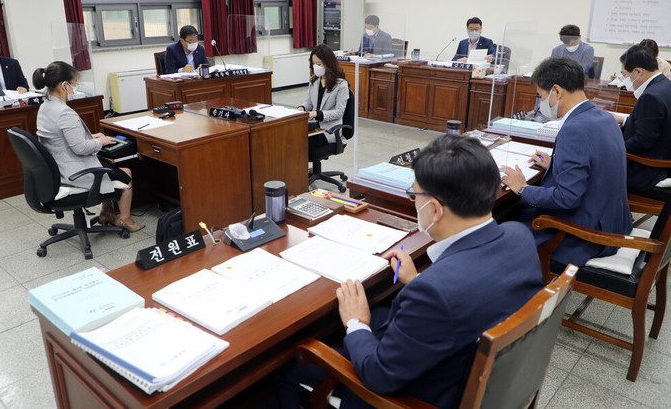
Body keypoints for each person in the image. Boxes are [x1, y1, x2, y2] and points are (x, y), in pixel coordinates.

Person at [277, 134, 543, 409]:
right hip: (470, 368)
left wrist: (356, 323)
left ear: (435, 210)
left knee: (290, 364)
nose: (414, 202)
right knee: (379, 311)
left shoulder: (435, 293)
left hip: (413, 395)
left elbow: (378, 375)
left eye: (414, 195)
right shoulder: (519, 237)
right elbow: (469, 292)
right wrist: (417, 280)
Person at [502, 57, 632, 266]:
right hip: (613, 222)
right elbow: (597, 165)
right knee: (516, 214)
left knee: (501, 228)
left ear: (556, 91)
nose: (540, 103)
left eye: (541, 96)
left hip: (584, 236)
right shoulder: (605, 118)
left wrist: (523, 188)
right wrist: (556, 164)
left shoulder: (575, 129)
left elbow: (567, 198)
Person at [34, 61, 144, 232]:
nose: (75, 87)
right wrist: (101, 142)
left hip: (57, 169)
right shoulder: (64, 112)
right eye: (74, 83)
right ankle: (125, 219)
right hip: (72, 174)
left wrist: (91, 136)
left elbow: (59, 137)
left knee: (105, 166)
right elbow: (81, 148)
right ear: (64, 85)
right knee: (126, 173)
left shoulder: (46, 106)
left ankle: (107, 212)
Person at [613, 44, 671, 198]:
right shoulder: (665, 86)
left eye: (624, 75)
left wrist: (613, 149)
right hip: (662, 160)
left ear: (638, 72)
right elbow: (655, 125)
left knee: (595, 171)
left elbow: (643, 141)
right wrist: (626, 121)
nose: (625, 80)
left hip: (649, 170)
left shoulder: (651, 96)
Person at [297, 44, 350, 159]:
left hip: (329, 131)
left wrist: (317, 114)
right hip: (313, 127)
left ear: (328, 63)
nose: (316, 67)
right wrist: (302, 108)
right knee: (293, 141)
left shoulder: (341, 85)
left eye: (319, 64)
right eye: (314, 64)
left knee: (301, 148)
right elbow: (309, 103)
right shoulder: (314, 81)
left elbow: (339, 112)